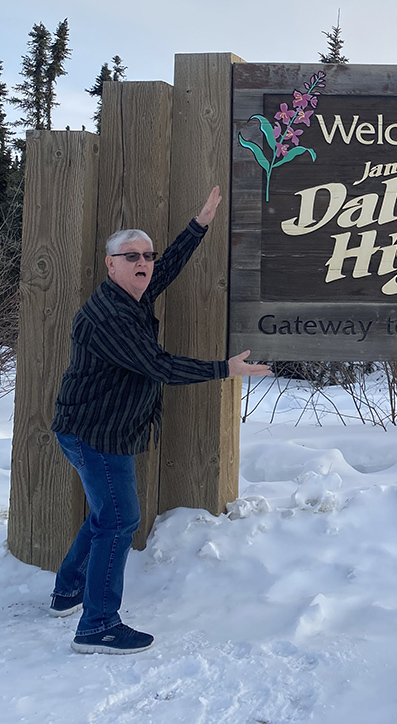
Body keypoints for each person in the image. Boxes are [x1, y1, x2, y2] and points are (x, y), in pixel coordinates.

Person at [48, 186, 271, 655]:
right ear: (110, 264)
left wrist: (200, 223)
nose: (143, 262)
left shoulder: (132, 295)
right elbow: (160, 367)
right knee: (119, 520)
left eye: (146, 255)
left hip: (96, 429)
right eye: (131, 256)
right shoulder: (110, 317)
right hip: (96, 433)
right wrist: (224, 370)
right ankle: (97, 625)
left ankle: (68, 589)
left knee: (106, 515)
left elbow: (166, 266)